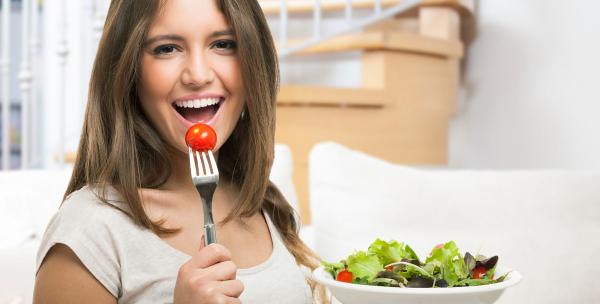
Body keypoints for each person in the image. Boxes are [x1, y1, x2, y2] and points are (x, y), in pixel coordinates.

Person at [33, 0, 322, 303]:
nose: (197, 75)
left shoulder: (265, 204)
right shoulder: (91, 229)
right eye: (167, 49)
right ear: (128, 69)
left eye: (223, 44)